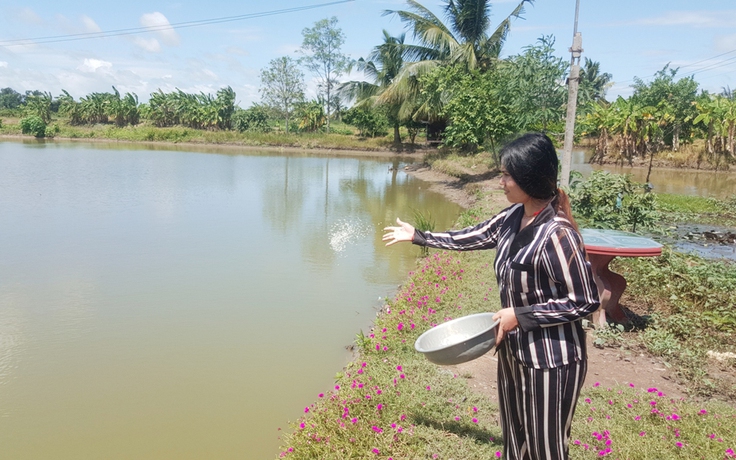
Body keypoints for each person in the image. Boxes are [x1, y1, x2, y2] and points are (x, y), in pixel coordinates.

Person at [382, 132, 600, 460]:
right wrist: (420, 236)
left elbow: (584, 300)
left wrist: (521, 316)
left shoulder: (558, 234)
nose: (501, 181)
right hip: (514, 351)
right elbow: (473, 236)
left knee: (546, 447)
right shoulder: (512, 217)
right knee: (515, 440)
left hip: (551, 360)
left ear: (528, 177)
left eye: (507, 175)